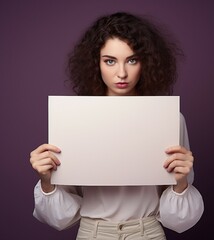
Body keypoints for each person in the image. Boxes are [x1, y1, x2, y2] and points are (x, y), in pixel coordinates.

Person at [30, 12, 204, 240]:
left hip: (147, 233)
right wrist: (46, 181)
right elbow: (61, 217)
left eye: (132, 60)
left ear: (146, 62)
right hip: (93, 233)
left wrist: (181, 182)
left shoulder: (169, 118)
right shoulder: (74, 118)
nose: (121, 73)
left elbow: (177, 219)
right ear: (96, 62)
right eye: (110, 61)